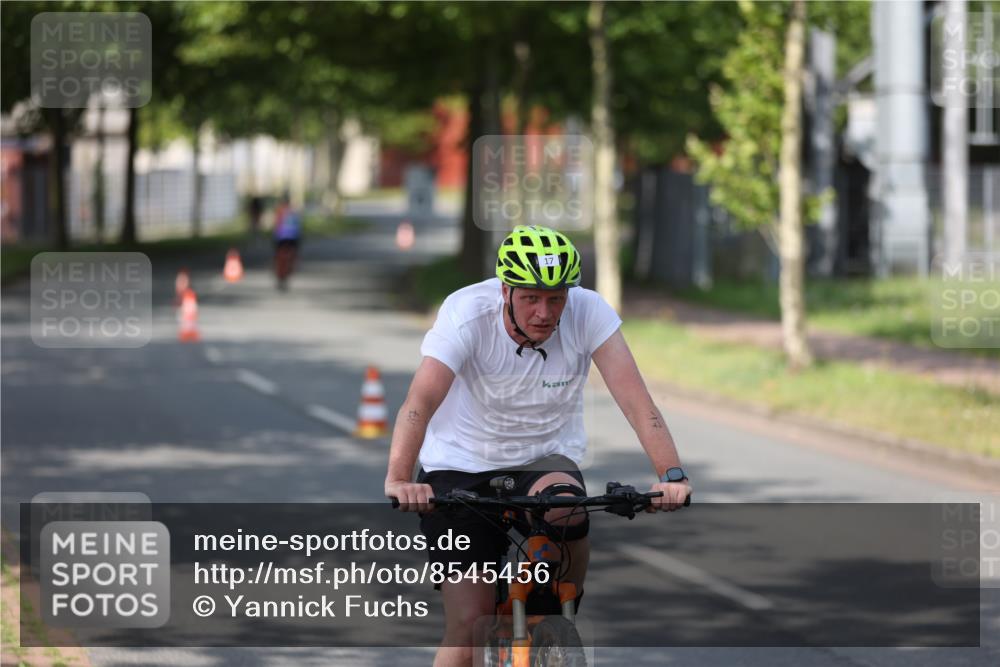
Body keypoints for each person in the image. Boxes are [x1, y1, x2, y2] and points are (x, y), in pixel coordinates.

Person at [385, 224, 691, 667]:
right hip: (459, 465)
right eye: (530, 297)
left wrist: (671, 475)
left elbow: (637, 401)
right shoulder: (466, 313)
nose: (544, 312)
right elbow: (420, 403)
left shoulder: (589, 313)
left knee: (568, 506)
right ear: (506, 291)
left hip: (544, 458)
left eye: (556, 298)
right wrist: (399, 478)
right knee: (469, 624)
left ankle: (562, 616)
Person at [271, 195, 301, 289]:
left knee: (279, 257)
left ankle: (281, 273)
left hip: (281, 238)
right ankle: (289, 270)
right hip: (293, 238)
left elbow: (277, 225)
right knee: (292, 256)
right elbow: (298, 226)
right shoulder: (293, 211)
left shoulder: (279, 211)